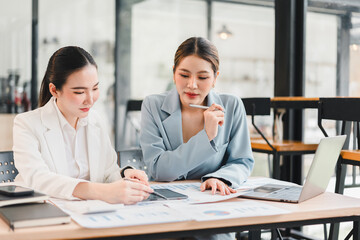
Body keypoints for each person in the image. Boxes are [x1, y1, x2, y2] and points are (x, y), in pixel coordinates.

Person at [13, 46, 153, 205]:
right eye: (80, 92)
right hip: (47, 212)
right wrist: (99, 192)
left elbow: (108, 172)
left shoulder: (95, 121)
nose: (90, 99)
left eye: (95, 88)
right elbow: (38, 179)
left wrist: (125, 175)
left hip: (91, 212)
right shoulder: (26, 124)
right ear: (54, 90)